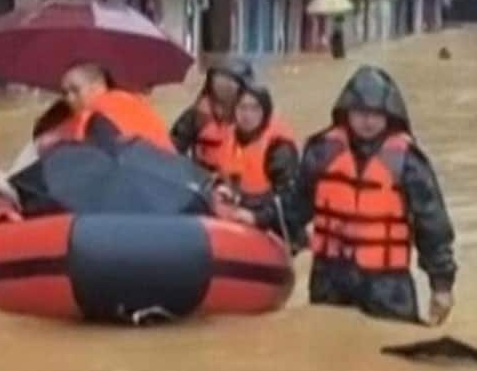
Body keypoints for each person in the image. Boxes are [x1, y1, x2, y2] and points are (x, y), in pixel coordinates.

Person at [291, 66, 457, 325]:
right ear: (347, 113)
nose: (368, 121)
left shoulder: (409, 161)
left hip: (387, 284)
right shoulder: (321, 152)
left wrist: (442, 285)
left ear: (389, 116)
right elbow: (294, 209)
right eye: (360, 113)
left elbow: (432, 225)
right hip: (330, 278)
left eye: (376, 114)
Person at [214, 83, 303, 247]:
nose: (247, 115)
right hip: (240, 216)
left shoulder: (279, 148)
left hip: (274, 225)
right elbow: (223, 176)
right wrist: (220, 189)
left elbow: (290, 201)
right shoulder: (229, 138)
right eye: (242, 108)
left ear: (265, 112)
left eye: (255, 109)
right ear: (234, 110)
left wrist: (257, 218)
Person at [59, 62, 173, 152]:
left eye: (75, 90)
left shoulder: (98, 118)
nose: (69, 98)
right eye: (65, 93)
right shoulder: (130, 102)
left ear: (97, 87)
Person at [170, 56, 254, 172]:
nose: (224, 89)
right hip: (203, 180)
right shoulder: (198, 115)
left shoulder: (251, 117)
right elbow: (172, 149)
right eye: (219, 83)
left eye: (229, 85)